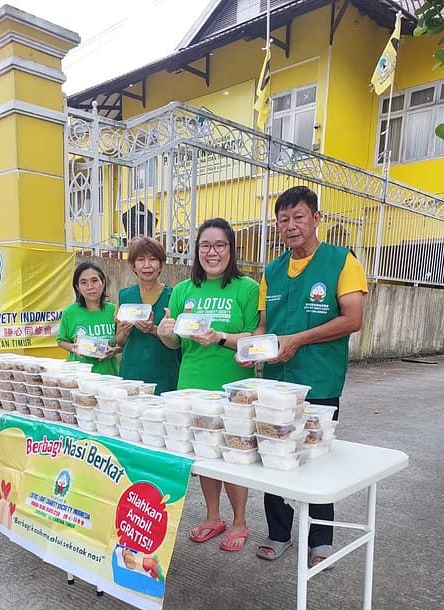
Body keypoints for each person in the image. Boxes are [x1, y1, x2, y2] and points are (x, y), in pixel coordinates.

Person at [253, 185, 368, 566]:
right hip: (275, 382)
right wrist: (250, 349)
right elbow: (264, 327)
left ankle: (320, 539)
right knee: (273, 454)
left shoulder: (341, 261)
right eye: (283, 219)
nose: (291, 226)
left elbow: (353, 319)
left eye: (299, 217)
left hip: (319, 379)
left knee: (316, 457)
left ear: (317, 218)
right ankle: (278, 531)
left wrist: (298, 340)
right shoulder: (271, 271)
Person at [157, 217, 260, 552]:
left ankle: (240, 521)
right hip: (192, 384)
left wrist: (220, 337)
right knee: (204, 456)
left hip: (233, 388)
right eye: (205, 245)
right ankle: (213, 516)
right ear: (196, 250)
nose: (212, 252)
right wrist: (164, 333)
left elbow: (253, 338)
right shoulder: (183, 291)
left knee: (234, 455)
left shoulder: (247, 288)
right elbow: (175, 342)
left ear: (231, 249)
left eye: (219, 245)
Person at [115, 237, 180, 394]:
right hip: (132, 373)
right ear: (133, 266)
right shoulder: (125, 296)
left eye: (153, 259)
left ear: (161, 264)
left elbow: (179, 341)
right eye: (140, 260)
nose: (147, 265)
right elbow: (119, 341)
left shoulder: (173, 296)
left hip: (164, 373)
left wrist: (153, 330)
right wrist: (125, 331)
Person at [57, 261, 121, 375]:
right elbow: (61, 341)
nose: (90, 287)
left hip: (109, 376)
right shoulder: (69, 312)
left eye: (94, 280)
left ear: (103, 283)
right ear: (78, 288)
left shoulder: (114, 310)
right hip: (79, 376)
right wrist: (73, 347)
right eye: (84, 282)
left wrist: (114, 350)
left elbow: (124, 343)